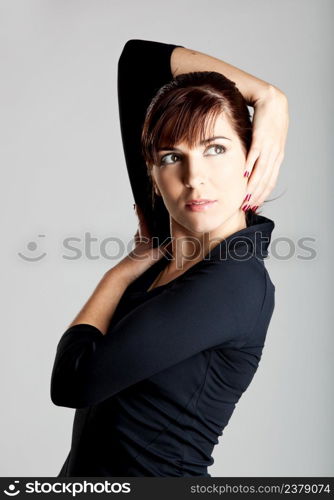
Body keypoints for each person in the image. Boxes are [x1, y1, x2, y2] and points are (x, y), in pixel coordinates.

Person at [50, 39, 288, 477]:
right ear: (153, 173)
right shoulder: (168, 239)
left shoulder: (232, 281)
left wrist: (118, 276)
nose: (195, 178)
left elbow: (73, 381)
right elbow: (138, 61)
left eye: (216, 149)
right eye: (173, 156)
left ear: (250, 158)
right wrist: (268, 95)